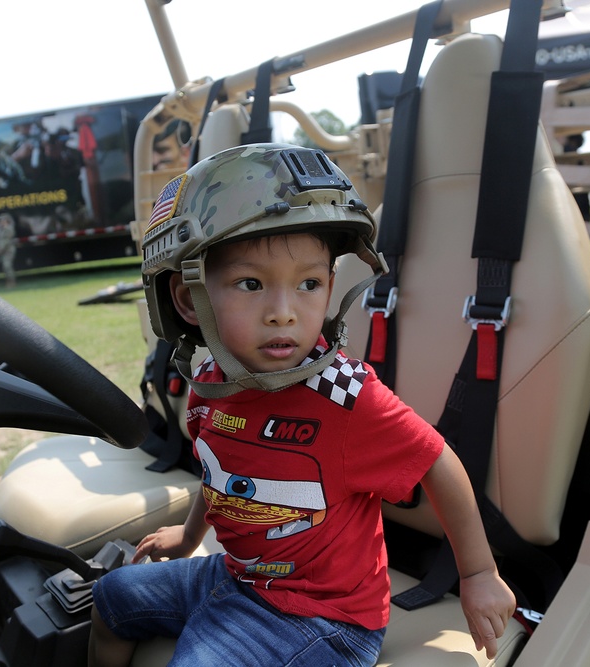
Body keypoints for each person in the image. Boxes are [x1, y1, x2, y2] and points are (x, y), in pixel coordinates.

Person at [88, 144, 516, 667]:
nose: (284, 314)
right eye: (251, 284)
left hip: (325, 617)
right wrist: (188, 535)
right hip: (237, 576)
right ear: (187, 299)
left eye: (309, 284)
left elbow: (437, 461)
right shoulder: (211, 381)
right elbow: (217, 471)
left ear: (331, 287)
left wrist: (478, 576)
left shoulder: (346, 397)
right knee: (110, 597)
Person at [0, 213, 18, 288]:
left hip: (8, 250)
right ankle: (9, 281)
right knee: (5, 266)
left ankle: (11, 281)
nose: (0, 222)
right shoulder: (1, 229)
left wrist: (0, 249)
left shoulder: (8, 229)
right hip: (3, 251)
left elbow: (6, 241)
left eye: (2, 220)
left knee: (7, 265)